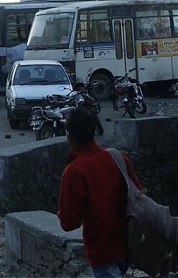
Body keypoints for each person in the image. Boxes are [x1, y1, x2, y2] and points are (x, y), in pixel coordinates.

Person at [57, 107, 142, 278]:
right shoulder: (117, 157)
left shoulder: (74, 171)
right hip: (128, 245)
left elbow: (68, 223)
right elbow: (138, 194)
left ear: (70, 136)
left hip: (102, 251)